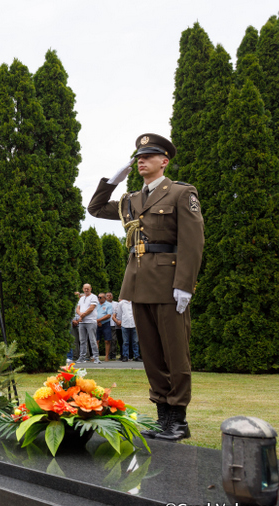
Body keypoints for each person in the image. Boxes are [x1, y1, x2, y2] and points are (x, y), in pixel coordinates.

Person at [88, 133, 204, 441]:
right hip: (139, 283)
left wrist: (185, 285)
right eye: (138, 157)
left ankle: (178, 420)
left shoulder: (181, 193)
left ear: (164, 161)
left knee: (175, 353)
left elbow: (193, 241)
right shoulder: (131, 199)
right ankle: (163, 418)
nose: (141, 161)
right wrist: (111, 182)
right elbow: (95, 208)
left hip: (169, 283)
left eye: (148, 156)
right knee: (151, 355)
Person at [75, 284, 99, 364]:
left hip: (91, 321)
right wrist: (80, 315)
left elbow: (91, 308)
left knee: (92, 340)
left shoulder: (93, 297)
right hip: (82, 322)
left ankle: (96, 357)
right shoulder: (81, 298)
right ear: (83, 289)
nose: (86, 290)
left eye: (87, 288)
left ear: (90, 289)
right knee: (82, 340)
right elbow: (77, 308)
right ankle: (82, 357)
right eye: (85, 289)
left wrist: (82, 316)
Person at [95, 293, 113, 362]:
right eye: (98, 297)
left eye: (100, 297)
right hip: (96, 323)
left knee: (107, 340)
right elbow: (93, 313)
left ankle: (106, 356)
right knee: (96, 340)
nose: (99, 299)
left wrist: (99, 320)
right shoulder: (96, 304)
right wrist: (97, 321)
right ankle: (96, 356)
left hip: (106, 324)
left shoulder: (108, 305)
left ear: (104, 298)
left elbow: (108, 315)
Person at [106, 292, 120, 359]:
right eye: (107, 296)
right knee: (107, 340)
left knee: (114, 340)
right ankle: (108, 354)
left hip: (113, 324)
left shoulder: (116, 304)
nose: (109, 297)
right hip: (106, 324)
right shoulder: (103, 304)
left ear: (112, 297)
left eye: (110, 296)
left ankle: (113, 354)